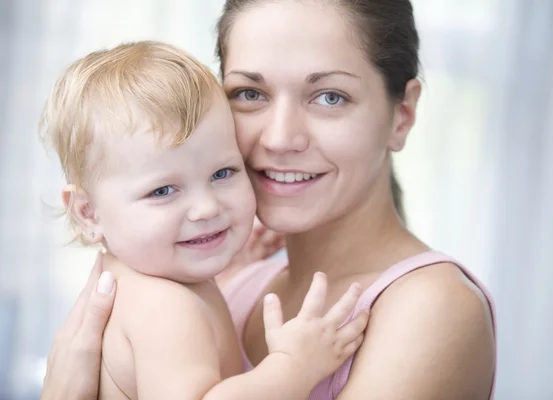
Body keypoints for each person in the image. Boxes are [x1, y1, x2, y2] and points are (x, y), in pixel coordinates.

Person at [41, 1, 497, 399]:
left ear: (403, 115)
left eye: (330, 97)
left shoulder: (432, 308)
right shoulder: (223, 280)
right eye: (250, 94)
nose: (280, 139)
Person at [39, 40, 369, 400]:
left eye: (223, 172)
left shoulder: (145, 282)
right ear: (88, 213)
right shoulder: (165, 305)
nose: (207, 208)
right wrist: (293, 366)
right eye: (163, 191)